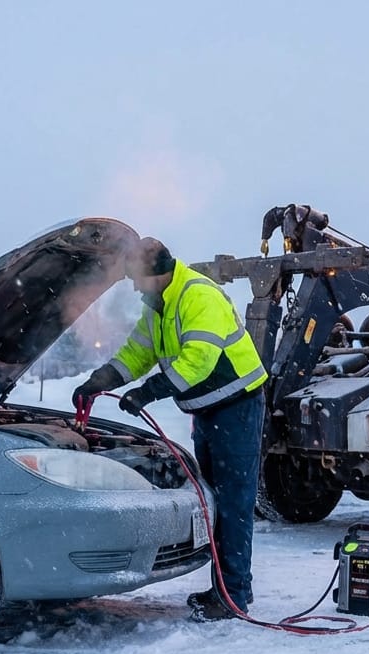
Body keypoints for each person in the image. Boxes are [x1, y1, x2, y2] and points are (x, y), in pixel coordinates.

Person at [73, 237, 268, 622]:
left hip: (237, 408)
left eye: (136, 279)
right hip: (208, 411)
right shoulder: (159, 305)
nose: (134, 287)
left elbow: (198, 361)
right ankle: (228, 588)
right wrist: (101, 380)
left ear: (155, 273)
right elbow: (138, 352)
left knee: (233, 502)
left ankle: (233, 597)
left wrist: (148, 392)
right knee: (214, 501)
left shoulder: (198, 296)